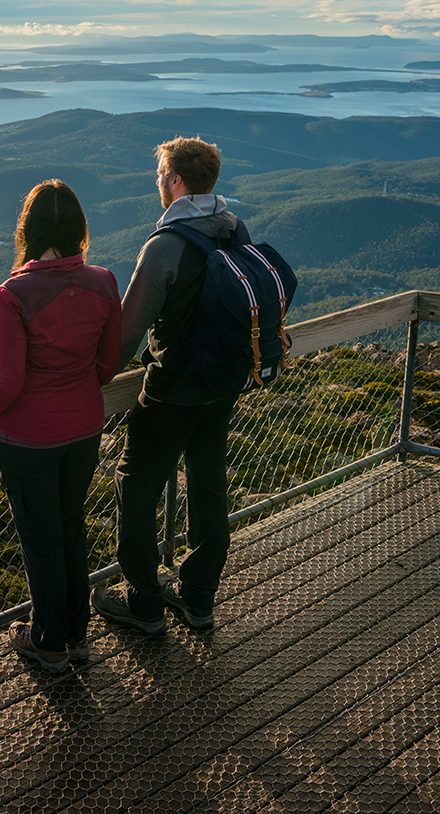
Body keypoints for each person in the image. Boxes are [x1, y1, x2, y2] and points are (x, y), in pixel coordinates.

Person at [94, 137, 293, 635]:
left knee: (135, 488)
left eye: (161, 175)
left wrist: (93, 379)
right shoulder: (234, 228)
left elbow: (129, 332)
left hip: (171, 391)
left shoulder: (165, 246)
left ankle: (144, 603)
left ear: (176, 181)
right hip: (224, 385)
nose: (159, 182)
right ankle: (198, 597)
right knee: (208, 487)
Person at [0, 180, 122, 674]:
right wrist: (75, 392)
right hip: (86, 427)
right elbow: (107, 364)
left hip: (29, 439)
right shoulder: (104, 281)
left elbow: (7, 384)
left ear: (26, 231)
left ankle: (47, 643)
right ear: (78, 228)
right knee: (71, 529)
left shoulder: (15, 292)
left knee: (40, 540)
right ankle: (77, 634)